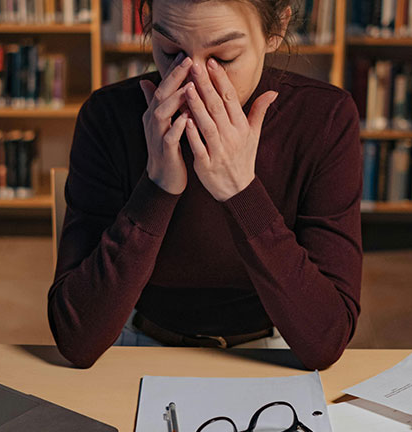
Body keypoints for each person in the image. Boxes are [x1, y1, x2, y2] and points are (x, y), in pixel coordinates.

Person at [48, 0, 363, 370]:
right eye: (171, 52)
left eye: (224, 58)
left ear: (275, 31)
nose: (194, 81)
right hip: (138, 341)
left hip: (274, 347)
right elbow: (77, 339)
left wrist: (241, 192)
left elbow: (325, 340)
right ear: (148, 24)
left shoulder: (324, 118)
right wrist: (156, 189)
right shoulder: (108, 116)